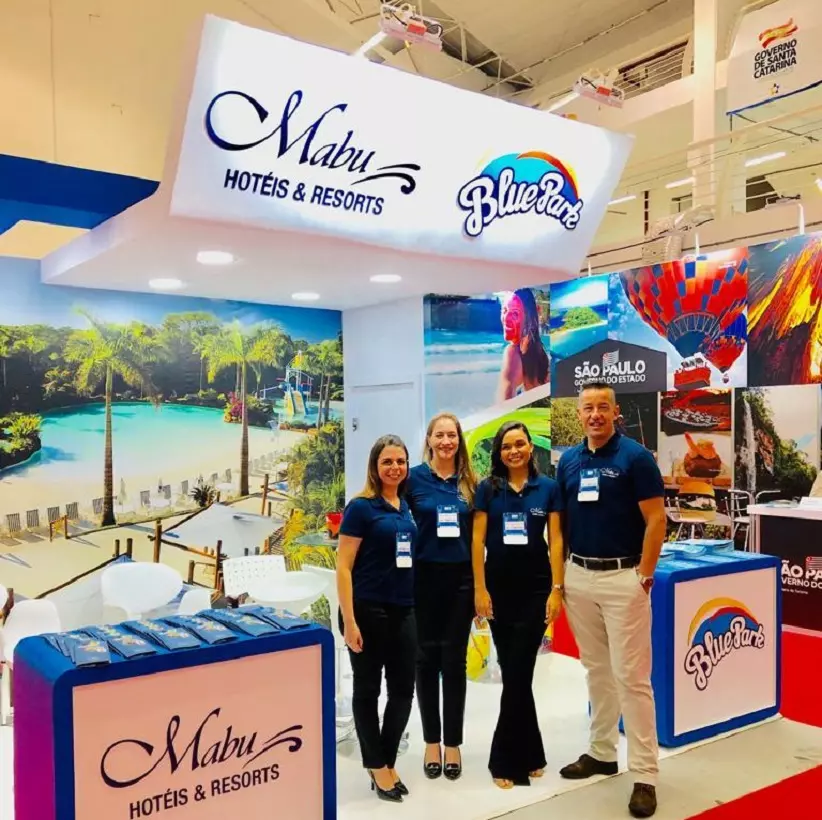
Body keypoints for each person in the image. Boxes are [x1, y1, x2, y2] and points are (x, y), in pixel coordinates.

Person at [555, 382, 666, 819]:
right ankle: (602, 752)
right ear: (579, 414)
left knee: (631, 678)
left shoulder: (635, 458)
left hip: (624, 578)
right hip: (579, 576)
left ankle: (645, 774)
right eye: (588, 408)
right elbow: (560, 525)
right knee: (597, 670)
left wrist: (645, 575)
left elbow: (656, 519)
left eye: (603, 407)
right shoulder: (569, 461)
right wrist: (561, 579)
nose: (595, 414)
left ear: (615, 412)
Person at [472, 421, 565, 789]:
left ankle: (503, 760)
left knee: (519, 671)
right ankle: (532, 754)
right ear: (499, 452)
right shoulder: (487, 489)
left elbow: (556, 541)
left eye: (520, 444)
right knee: (515, 673)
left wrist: (557, 589)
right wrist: (480, 589)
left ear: (530, 448)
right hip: (498, 591)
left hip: (536, 591)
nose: (514, 451)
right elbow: (477, 541)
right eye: (507, 446)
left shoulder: (548, 489)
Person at [337, 434, 417, 804]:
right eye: (387, 461)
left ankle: (384, 759)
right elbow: (343, 566)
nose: (395, 468)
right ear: (375, 466)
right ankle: (378, 765)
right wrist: (349, 620)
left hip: (404, 608)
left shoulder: (405, 506)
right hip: (367, 609)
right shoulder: (361, 507)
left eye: (400, 461)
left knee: (403, 691)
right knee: (368, 689)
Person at [406, 412, 476, 782]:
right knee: (425, 661)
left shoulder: (470, 483)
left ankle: (453, 744)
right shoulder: (413, 479)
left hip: (461, 581)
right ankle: (431, 742)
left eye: (452, 435)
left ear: (458, 440)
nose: (446, 441)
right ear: (430, 440)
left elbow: (479, 537)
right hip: (422, 580)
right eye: (440, 435)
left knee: (454, 662)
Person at [496, 289, 550, 402]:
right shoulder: (542, 355)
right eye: (504, 310)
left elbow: (503, 405)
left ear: (528, 318)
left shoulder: (512, 353)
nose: (506, 318)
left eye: (515, 313)